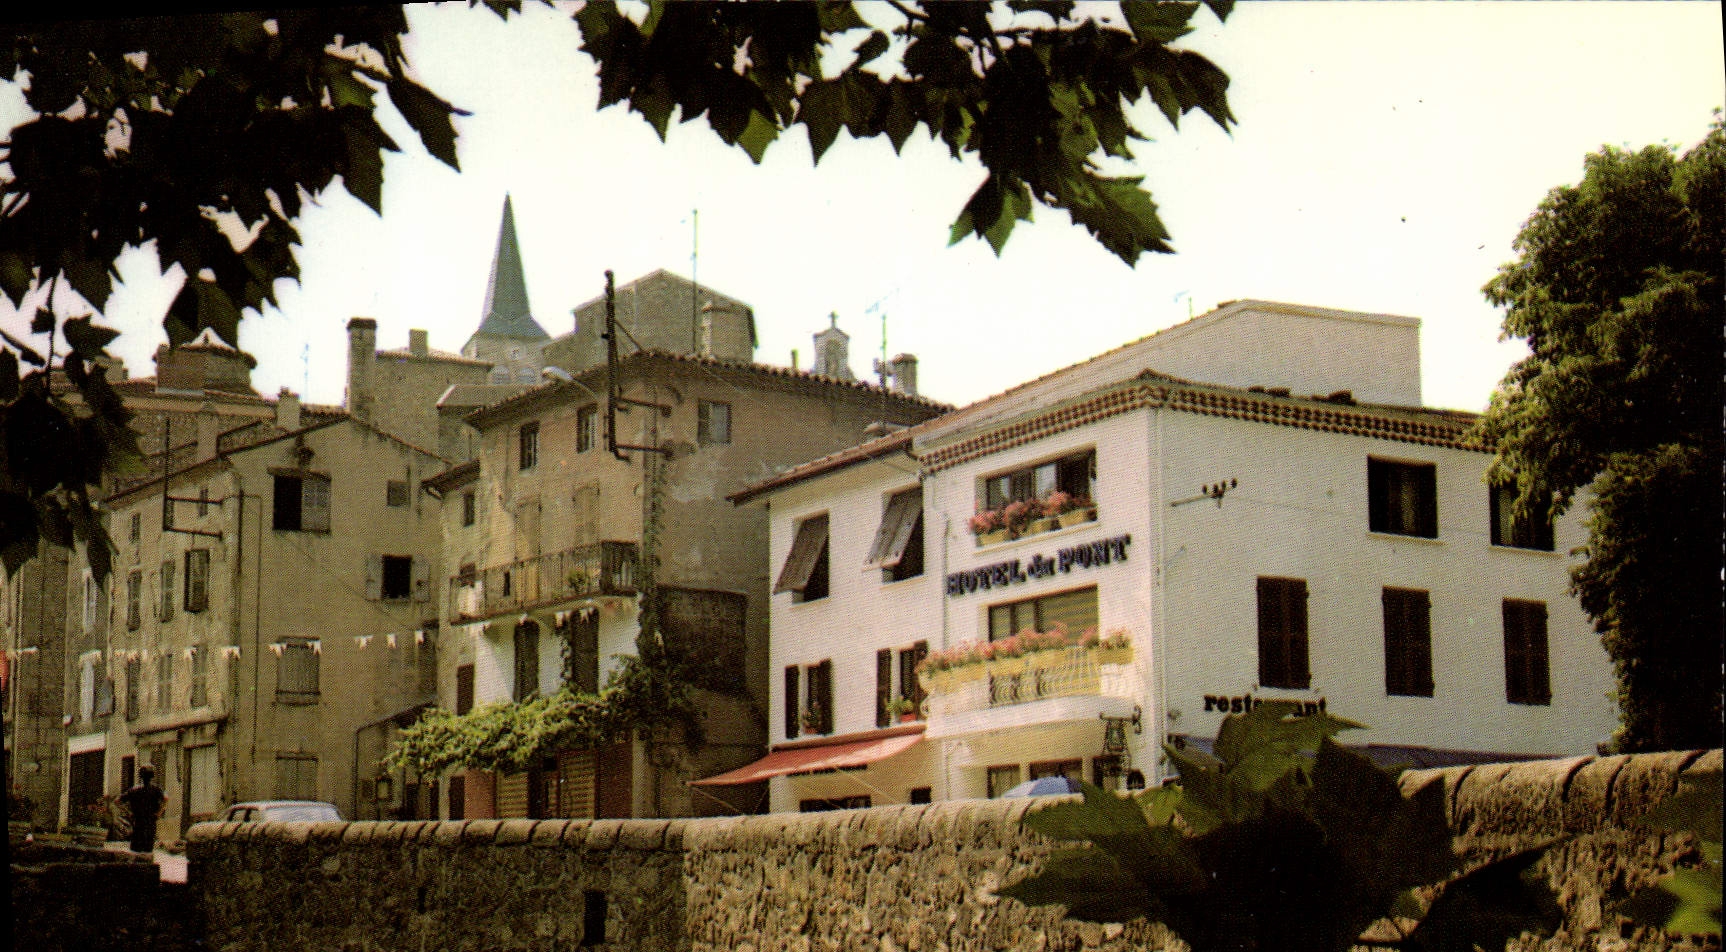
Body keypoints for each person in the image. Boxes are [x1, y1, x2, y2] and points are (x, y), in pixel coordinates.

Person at [121, 765, 167, 854]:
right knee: (148, 850)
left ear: (140, 776)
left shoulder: (134, 790)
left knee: (136, 851)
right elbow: (165, 799)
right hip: (150, 822)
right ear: (152, 776)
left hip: (138, 822)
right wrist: (159, 813)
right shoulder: (156, 790)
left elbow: (117, 801)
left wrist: (128, 812)